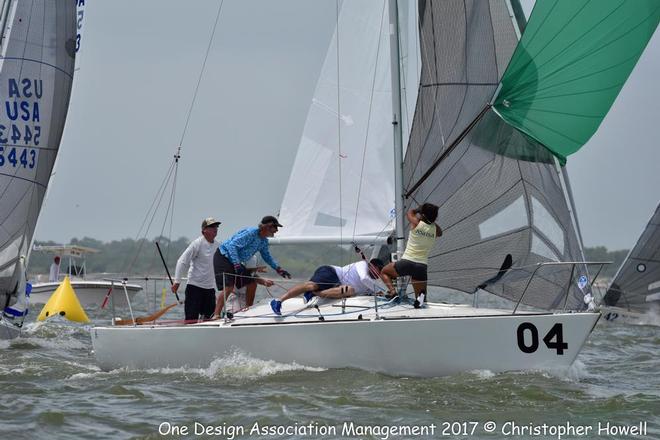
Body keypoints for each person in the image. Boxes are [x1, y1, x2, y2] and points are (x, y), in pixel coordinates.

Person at [212, 215, 291, 317]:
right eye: (275, 227)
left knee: (252, 283)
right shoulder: (251, 233)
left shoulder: (263, 241)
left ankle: (248, 308)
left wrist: (278, 269)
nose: (276, 230)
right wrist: (236, 263)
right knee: (229, 287)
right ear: (267, 226)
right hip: (223, 256)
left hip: (234, 261)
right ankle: (216, 314)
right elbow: (232, 246)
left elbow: (267, 256)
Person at [270, 258, 385, 315]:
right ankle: (278, 300)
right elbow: (364, 278)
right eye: (379, 270)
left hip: (336, 287)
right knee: (312, 286)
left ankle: (315, 293)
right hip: (332, 273)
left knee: (350, 290)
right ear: (372, 266)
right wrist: (382, 290)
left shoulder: (370, 286)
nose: (379, 275)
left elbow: (367, 291)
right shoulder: (363, 264)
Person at [380, 203, 442, 307]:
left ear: (422, 214)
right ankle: (421, 297)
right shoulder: (435, 229)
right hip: (421, 266)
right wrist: (431, 220)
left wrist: (418, 209)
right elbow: (440, 233)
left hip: (407, 262)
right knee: (422, 297)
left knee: (384, 272)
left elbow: (409, 213)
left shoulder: (417, 223)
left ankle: (392, 292)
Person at [173, 217, 221, 321]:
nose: (215, 228)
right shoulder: (197, 244)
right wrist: (177, 282)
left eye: (216, 226)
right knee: (191, 320)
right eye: (212, 226)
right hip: (194, 288)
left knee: (210, 320)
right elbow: (182, 261)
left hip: (210, 289)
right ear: (204, 230)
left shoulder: (218, 246)